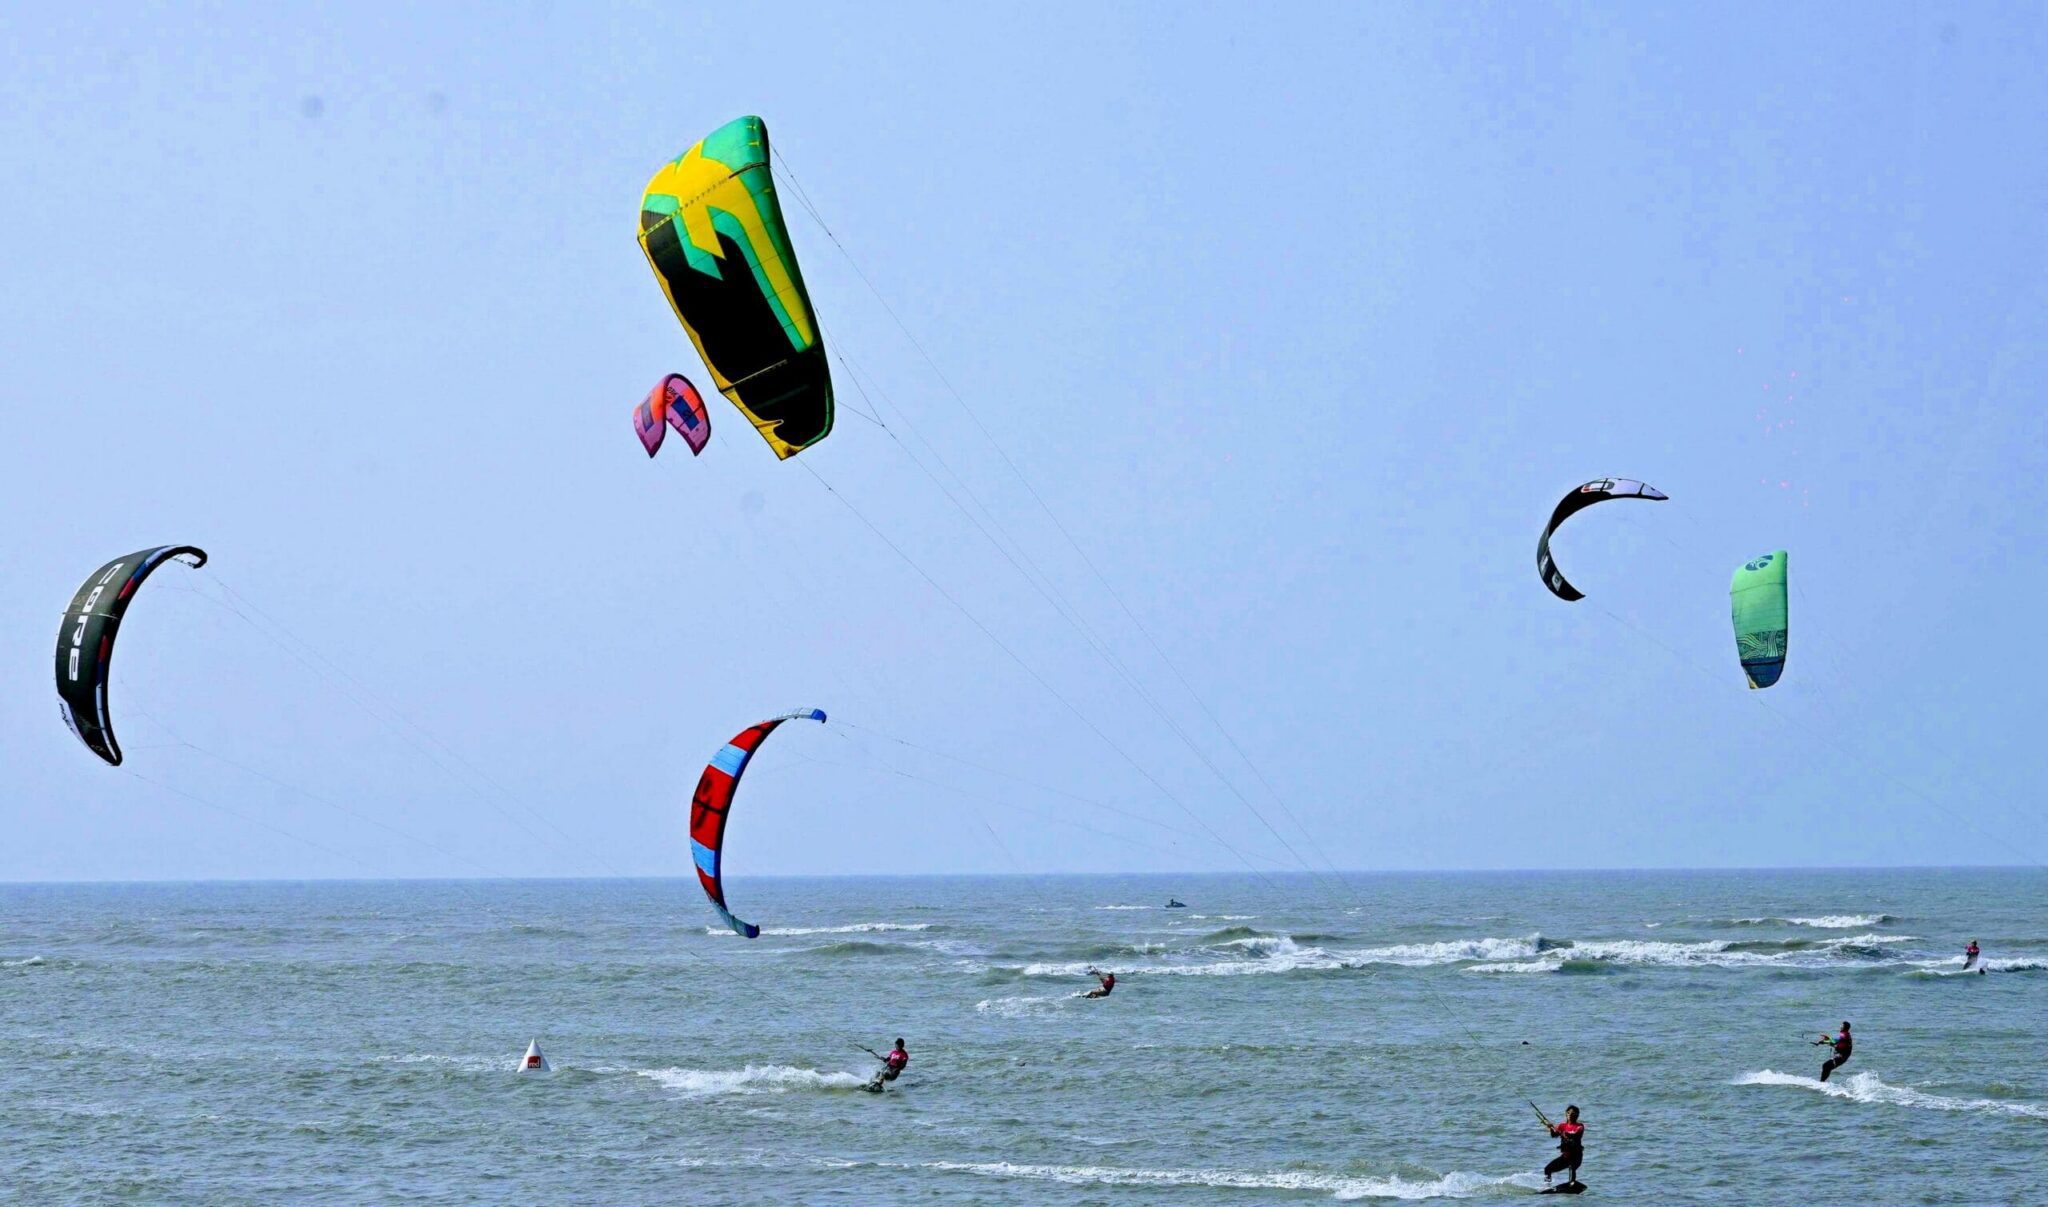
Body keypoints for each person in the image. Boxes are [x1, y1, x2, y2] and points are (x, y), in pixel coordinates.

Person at [1542, 1105, 1585, 1188]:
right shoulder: (1562, 1126)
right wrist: (1551, 1128)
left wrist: (1566, 1133)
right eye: (1568, 1113)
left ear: (1577, 1115)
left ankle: (1572, 1184)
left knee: (1572, 1167)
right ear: (1566, 1114)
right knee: (1547, 1169)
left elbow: (1576, 1134)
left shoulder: (1580, 1126)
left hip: (1576, 1156)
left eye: (1573, 1113)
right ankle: (1547, 1186)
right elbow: (1554, 1135)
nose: (1570, 1115)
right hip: (1565, 1157)